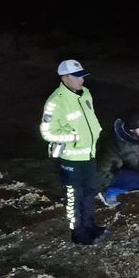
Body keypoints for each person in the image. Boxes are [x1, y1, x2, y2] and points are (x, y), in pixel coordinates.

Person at [39, 59, 107, 245]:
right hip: (71, 160)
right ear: (64, 78)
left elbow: (90, 118)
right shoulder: (56, 102)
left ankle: (90, 225)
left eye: (82, 76)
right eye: (76, 77)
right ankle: (78, 234)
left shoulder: (86, 93)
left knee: (89, 193)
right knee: (73, 199)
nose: (81, 80)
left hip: (89, 156)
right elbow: (47, 132)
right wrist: (74, 136)